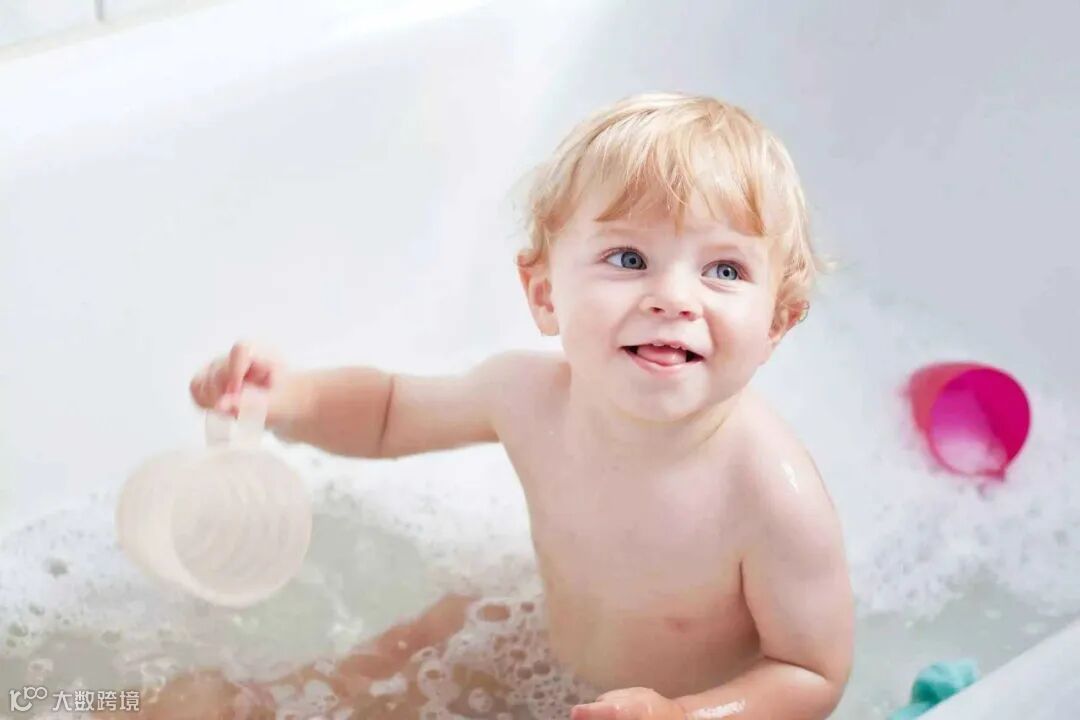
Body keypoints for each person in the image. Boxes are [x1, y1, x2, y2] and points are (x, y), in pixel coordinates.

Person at [134, 92, 854, 720]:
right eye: (629, 259)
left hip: (674, 708)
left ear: (776, 324)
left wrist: (686, 715)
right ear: (544, 294)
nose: (673, 297)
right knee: (346, 682)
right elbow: (388, 412)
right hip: (536, 645)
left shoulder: (768, 493)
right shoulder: (525, 396)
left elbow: (811, 672)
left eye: (723, 269)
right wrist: (289, 397)